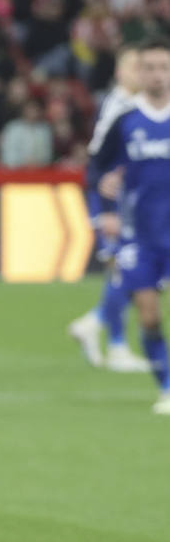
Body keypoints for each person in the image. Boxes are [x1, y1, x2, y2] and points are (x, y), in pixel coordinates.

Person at [88, 37, 170, 414]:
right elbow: (98, 166)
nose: (156, 75)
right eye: (149, 67)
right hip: (142, 236)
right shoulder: (125, 120)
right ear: (139, 73)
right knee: (149, 314)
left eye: (163, 67)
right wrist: (104, 202)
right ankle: (167, 390)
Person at [68, 45, 152, 373]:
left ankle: (113, 342)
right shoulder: (120, 108)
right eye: (135, 67)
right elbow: (97, 162)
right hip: (113, 203)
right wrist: (105, 209)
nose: (141, 74)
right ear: (120, 72)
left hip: (130, 202)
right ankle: (99, 327)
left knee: (124, 270)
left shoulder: (133, 105)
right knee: (131, 270)